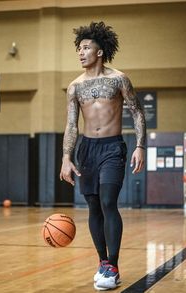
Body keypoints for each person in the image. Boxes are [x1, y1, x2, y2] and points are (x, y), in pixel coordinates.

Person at [60, 21, 146, 291]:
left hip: (112, 147)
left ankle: (113, 264)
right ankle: (103, 262)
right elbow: (72, 124)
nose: (81, 52)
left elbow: (137, 112)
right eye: (79, 48)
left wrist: (141, 146)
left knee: (109, 201)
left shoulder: (119, 79)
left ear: (99, 52)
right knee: (94, 205)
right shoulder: (75, 87)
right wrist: (66, 156)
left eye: (86, 47)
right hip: (87, 148)